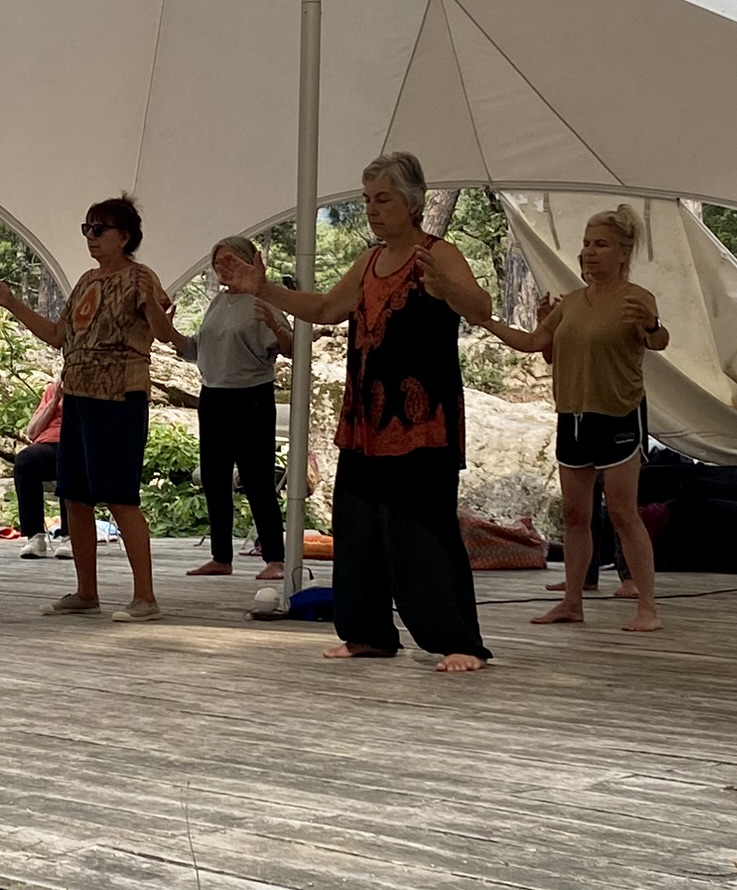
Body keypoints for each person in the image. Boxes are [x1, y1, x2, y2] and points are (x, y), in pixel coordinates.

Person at [221, 152, 495, 673]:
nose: (372, 209)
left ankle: (459, 642)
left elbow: (479, 308)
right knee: (359, 528)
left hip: (422, 422)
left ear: (413, 204)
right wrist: (265, 290)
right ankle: (369, 633)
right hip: (366, 422)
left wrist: (448, 288)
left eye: (383, 199)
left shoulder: (441, 255)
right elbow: (325, 309)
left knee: (424, 531)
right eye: (367, 200)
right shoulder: (368, 262)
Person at [0, 195, 181, 621]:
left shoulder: (141, 277)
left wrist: (160, 314)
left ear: (124, 236)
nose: (91, 237)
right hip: (81, 397)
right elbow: (57, 334)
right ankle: (86, 591)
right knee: (75, 497)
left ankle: (146, 597)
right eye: (87, 228)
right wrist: (11, 302)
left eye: (99, 229)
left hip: (120, 397)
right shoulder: (87, 281)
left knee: (120, 498)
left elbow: (163, 333)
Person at [472, 207, 666, 633]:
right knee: (576, 516)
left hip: (618, 415)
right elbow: (533, 343)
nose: (590, 253)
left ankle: (647, 606)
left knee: (622, 512)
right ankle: (572, 602)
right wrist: (485, 320)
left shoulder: (636, 298)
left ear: (622, 252)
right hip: (573, 419)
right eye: (586, 244)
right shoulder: (571, 303)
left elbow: (659, 341)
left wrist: (652, 326)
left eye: (600, 245)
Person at [172, 236, 292, 582]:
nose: (221, 267)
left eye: (228, 260)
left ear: (247, 261)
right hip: (213, 396)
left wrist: (273, 325)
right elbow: (194, 348)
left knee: (256, 479)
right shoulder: (216, 304)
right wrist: (167, 331)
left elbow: (287, 346)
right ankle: (221, 556)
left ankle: (275, 557)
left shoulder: (262, 299)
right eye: (217, 262)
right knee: (214, 477)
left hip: (251, 395)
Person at [16, 379, 64, 558]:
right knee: (25, 460)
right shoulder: (53, 390)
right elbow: (32, 432)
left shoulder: (91, 389)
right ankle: (35, 537)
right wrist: (54, 402)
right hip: (47, 446)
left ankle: (70, 536)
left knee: (71, 461)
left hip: (76, 445)